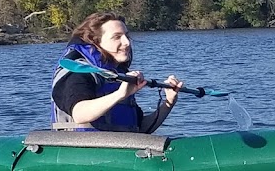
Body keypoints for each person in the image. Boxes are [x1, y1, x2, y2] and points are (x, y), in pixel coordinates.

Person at [51, 12, 182, 133]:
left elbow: (141, 128)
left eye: (127, 36)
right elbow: (79, 114)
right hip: (78, 153)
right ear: (95, 41)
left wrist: (168, 103)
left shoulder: (116, 74)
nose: (127, 42)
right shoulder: (77, 72)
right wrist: (120, 94)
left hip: (118, 152)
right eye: (117, 37)